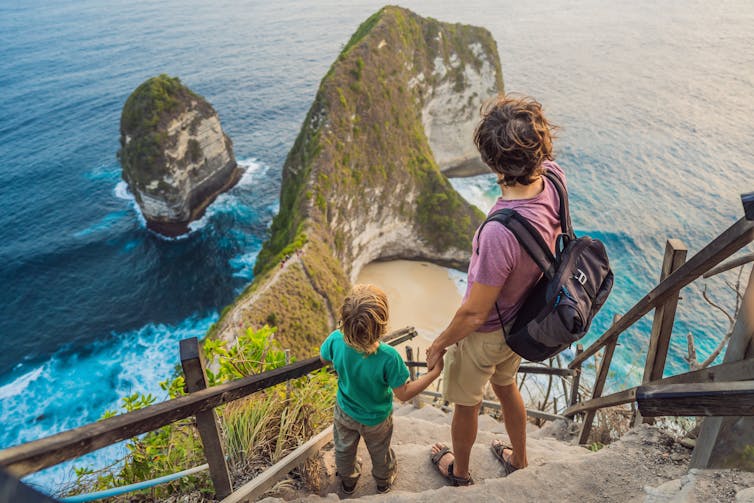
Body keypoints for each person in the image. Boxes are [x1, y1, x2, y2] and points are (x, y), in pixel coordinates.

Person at [425, 94, 563, 486]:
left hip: (487, 334)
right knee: (506, 386)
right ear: (541, 149)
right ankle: (519, 460)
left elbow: (474, 313)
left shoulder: (499, 231)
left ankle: (460, 472)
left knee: (466, 404)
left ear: (490, 160)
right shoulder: (554, 179)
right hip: (524, 321)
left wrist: (439, 344)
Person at [320, 284, 443, 495]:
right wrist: (433, 373)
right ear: (381, 325)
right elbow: (403, 393)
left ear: (346, 320)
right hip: (377, 419)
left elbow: (324, 359)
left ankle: (348, 482)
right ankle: (383, 482)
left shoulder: (335, 340)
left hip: (345, 411)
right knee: (380, 452)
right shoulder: (388, 357)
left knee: (344, 449)